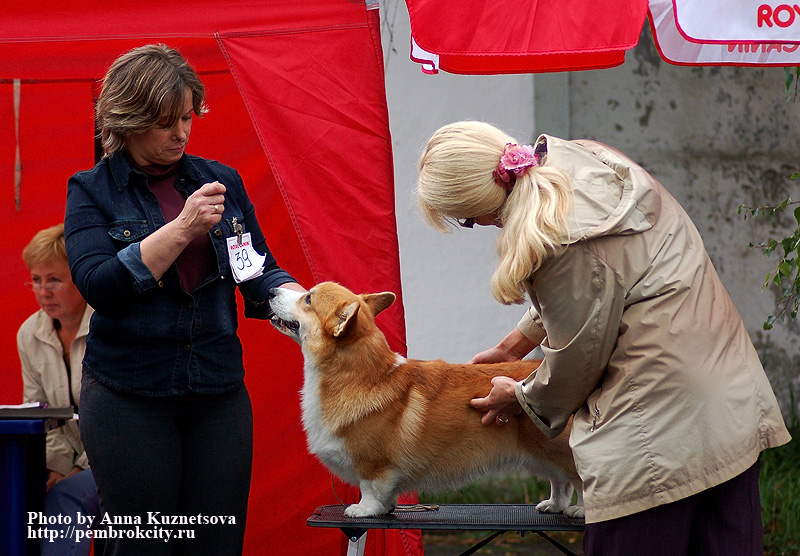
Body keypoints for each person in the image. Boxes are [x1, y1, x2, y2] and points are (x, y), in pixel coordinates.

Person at [415, 120, 792, 556]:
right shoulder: (584, 160)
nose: (477, 225)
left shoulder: (560, 241)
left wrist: (518, 396)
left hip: (654, 434)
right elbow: (603, 286)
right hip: (726, 404)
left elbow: (576, 362)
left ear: (480, 203)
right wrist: (512, 347)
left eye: (465, 219)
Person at [64, 44, 305, 556]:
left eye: (188, 117)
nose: (181, 132)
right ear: (128, 121)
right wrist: (181, 228)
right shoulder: (91, 190)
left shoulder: (221, 181)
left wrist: (306, 303)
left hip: (217, 395)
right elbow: (100, 287)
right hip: (128, 398)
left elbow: (255, 270)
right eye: (165, 122)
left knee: (215, 546)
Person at [17, 223, 100, 556]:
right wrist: (56, 467)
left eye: (54, 280)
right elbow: (40, 416)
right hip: (72, 463)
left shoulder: (108, 326)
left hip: (122, 459)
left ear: (80, 278)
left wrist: (77, 469)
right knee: (18, 490)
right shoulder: (29, 333)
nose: (43, 292)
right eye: (36, 280)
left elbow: (117, 418)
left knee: (65, 497)